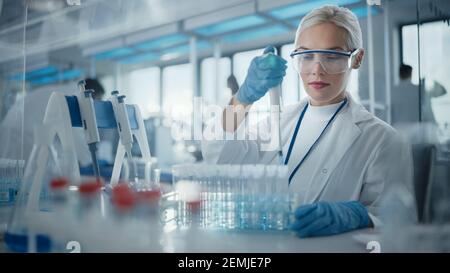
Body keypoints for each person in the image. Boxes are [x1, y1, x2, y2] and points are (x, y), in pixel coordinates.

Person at [202, 5, 414, 237]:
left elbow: (400, 227)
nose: (317, 70)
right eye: (306, 55)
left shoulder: (383, 140)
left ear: (356, 58)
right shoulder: (278, 122)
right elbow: (219, 157)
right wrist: (242, 100)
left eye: (332, 56)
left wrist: (361, 217)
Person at [0, 78, 105, 166]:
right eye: (98, 99)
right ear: (91, 94)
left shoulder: (67, 90)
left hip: (11, 128)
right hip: (24, 134)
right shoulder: (76, 97)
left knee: (13, 178)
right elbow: (76, 135)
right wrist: (89, 162)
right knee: (28, 180)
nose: (96, 106)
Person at [392, 64, 447, 144]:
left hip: (399, 128)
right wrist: (430, 78)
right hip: (416, 129)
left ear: (399, 74)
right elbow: (443, 91)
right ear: (411, 74)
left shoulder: (392, 91)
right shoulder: (418, 89)